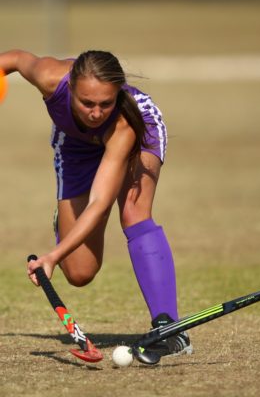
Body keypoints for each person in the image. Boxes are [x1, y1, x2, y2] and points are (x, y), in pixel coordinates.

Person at [0, 49, 192, 358]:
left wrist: (52, 256)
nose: (96, 113)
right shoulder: (49, 77)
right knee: (79, 272)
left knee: (133, 212)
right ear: (71, 88)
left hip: (137, 128)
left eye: (105, 103)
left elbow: (100, 202)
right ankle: (66, 223)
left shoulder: (123, 121)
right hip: (76, 143)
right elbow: (13, 60)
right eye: (87, 103)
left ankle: (168, 327)